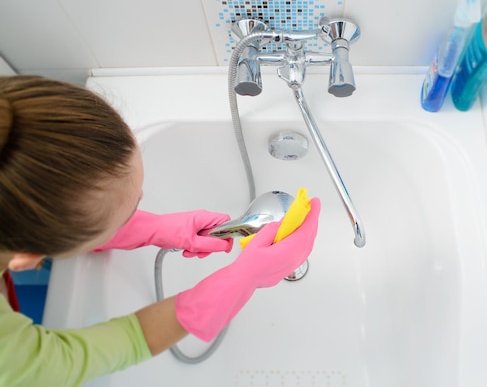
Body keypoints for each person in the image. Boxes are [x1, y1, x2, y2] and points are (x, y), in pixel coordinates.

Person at [0, 75, 321, 386]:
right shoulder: (11, 362)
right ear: (27, 254)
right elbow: (123, 342)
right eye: (129, 215)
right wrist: (232, 286)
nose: (141, 207)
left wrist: (152, 229)